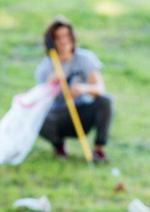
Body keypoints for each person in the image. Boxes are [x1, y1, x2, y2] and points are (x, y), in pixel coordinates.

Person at [36, 17, 113, 162]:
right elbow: (40, 101)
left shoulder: (85, 58)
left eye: (66, 35)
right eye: (58, 37)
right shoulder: (45, 68)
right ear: (51, 41)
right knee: (37, 117)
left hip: (83, 111)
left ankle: (98, 150)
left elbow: (100, 88)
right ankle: (59, 146)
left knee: (105, 101)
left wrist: (83, 88)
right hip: (59, 115)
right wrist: (50, 84)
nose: (63, 41)